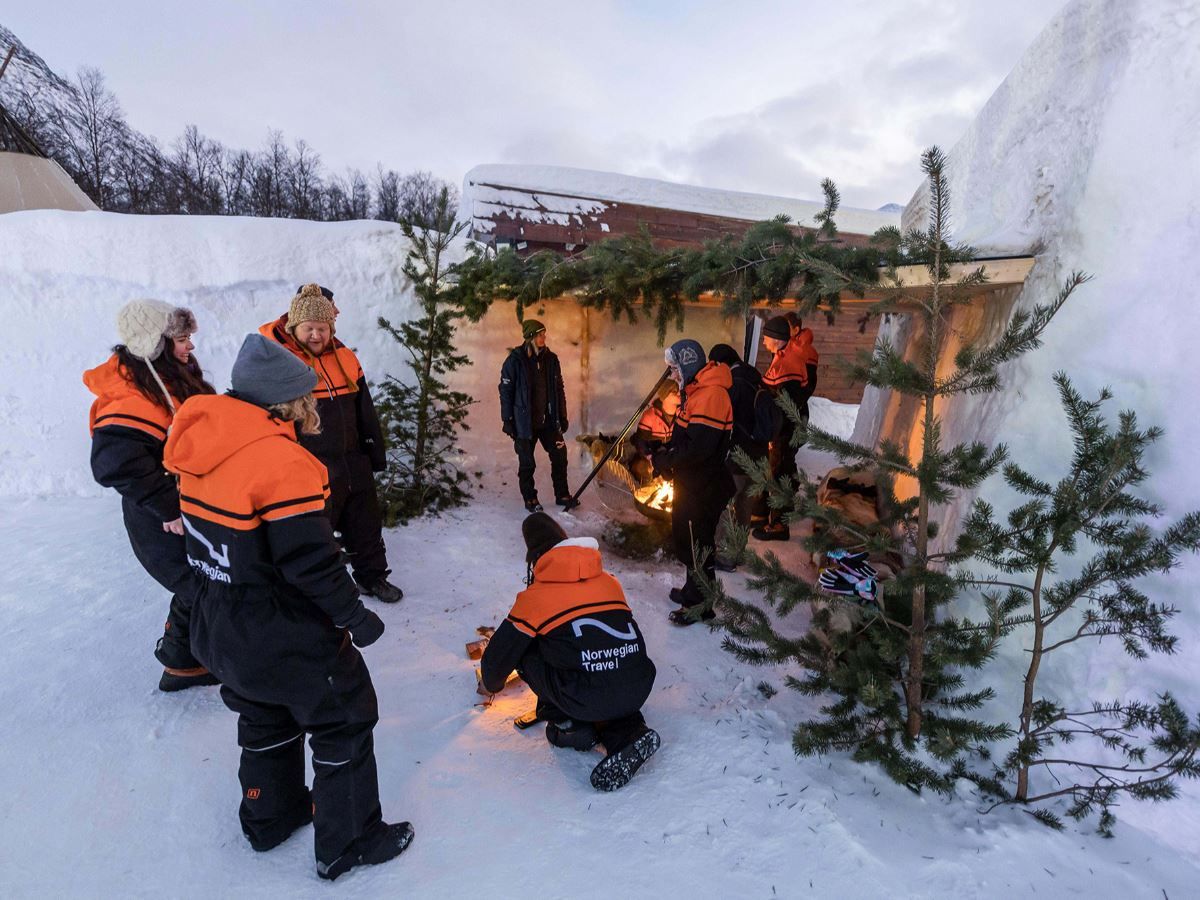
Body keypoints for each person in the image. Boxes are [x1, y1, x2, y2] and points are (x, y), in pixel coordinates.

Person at [164, 334, 413, 880]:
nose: (315, 405)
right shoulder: (281, 463)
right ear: (284, 402)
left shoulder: (203, 443)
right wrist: (355, 617)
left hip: (217, 621)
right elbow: (310, 564)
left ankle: (269, 816)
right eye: (307, 398)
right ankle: (348, 843)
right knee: (344, 715)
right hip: (279, 629)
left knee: (264, 711)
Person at [83, 299, 218, 692]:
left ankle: (183, 662)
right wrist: (167, 507)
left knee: (202, 580)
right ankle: (184, 662)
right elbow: (114, 463)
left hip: (188, 502)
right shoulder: (133, 396)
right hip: (160, 514)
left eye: (188, 336)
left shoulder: (167, 374)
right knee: (199, 582)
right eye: (181, 338)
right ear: (153, 344)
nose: (190, 346)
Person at [480, 512, 660, 791]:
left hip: (587, 697)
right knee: (600, 664)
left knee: (525, 648)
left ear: (536, 562)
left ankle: (570, 725)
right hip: (638, 683)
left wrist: (490, 683)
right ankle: (629, 732)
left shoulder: (536, 598)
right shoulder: (610, 582)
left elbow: (498, 660)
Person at [260, 284, 403, 603]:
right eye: (309, 328)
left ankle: (372, 578)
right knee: (317, 535)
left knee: (366, 526)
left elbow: (364, 408)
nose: (315, 335)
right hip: (312, 468)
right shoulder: (281, 364)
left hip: (353, 461)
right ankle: (318, 592)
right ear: (295, 326)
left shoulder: (345, 357)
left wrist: (372, 455)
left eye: (322, 328)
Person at [652, 339, 734, 625]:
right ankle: (692, 590)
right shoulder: (698, 391)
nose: (673, 375)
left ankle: (700, 605)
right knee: (690, 539)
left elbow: (700, 449)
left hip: (704, 485)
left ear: (688, 363)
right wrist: (668, 456)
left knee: (698, 543)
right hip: (693, 482)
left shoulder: (711, 395)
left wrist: (668, 460)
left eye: (675, 369)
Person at [707, 343, 776, 571]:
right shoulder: (757, 379)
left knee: (726, 504)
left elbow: (727, 423)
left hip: (738, 458)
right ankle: (736, 553)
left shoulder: (734, 385)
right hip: (760, 457)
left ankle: (723, 556)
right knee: (745, 508)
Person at [753, 314, 819, 542]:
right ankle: (772, 515)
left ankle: (780, 526)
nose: (763, 342)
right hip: (783, 428)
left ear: (777, 338)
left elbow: (785, 406)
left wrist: (773, 434)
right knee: (781, 468)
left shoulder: (787, 364)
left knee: (780, 471)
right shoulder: (783, 356)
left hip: (785, 429)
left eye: (766, 337)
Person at [498, 319, 571, 513]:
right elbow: (505, 391)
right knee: (527, 463)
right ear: (531, 337)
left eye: (544, 334)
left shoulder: (551, 359)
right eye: (540, 335)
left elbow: (559, 389)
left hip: (548, 421)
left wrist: (562, 416)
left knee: (559, 456)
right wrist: (507, 419)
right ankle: (530, 499)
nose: (543, 338)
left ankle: (562, 495)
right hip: (524, 423)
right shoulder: (515, 361)